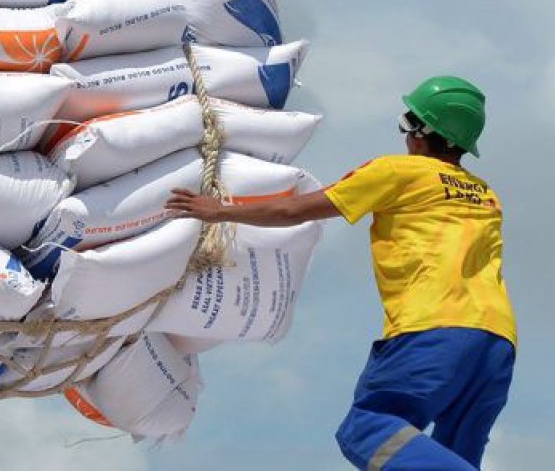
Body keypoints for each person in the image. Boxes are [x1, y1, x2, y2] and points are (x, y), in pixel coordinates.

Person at [166, 76, 515, 470]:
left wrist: (220, 210)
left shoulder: (397, 173)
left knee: (367, 428)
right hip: (496, 344)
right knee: (446, 460)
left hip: (433, 328)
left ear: (420, 132)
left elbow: (294, 210)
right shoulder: (486, 195)